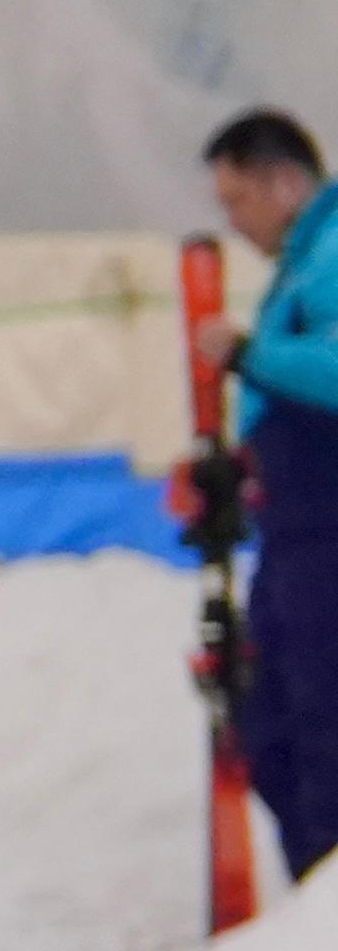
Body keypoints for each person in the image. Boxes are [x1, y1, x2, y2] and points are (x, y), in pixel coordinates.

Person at [193, 109, 338, 875]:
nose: (235, 223)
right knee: (267, 717)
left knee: (321, 722)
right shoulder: (301, 263)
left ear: (285, 182)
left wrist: (251, 353)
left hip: (327, 535)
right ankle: (315, 898)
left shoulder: (333, 255)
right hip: (291, 534)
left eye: (238, 200)